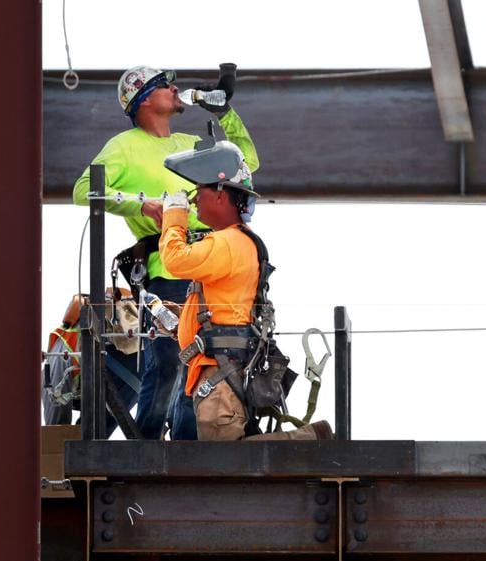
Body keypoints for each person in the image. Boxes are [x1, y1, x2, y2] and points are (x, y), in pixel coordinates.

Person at [72, 65, 259, 441]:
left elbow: (248, 163)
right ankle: (146, 446)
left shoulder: (188, 143)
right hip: (168, 268)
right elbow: (83, 190)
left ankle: (188, 445)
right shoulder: (124, 146)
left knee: (213, 361)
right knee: (168, 362)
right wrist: (141, 205)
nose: (175, 89)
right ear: (142, 99)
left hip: (215, 265)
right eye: (163, 85)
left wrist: (225, 114)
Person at [153, 141, 330, 441]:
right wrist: (184, 321)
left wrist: (174, 216)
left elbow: (174, 260)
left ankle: (309, 441)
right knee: (216, 461)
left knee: (224, 462)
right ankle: (310, 441)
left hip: (218, 376)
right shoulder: (236, 243)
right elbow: (227, 310)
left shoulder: (227, 243)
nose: (194, 200)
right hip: (218, 371)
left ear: (221, 194)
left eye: (200, 191)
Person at [41, 293, 140, 436]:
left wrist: (58, 445)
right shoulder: (66, 340)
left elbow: (56, 429)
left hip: (116, 365)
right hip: (140, 360)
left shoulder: (53, 370)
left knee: (86, 437)